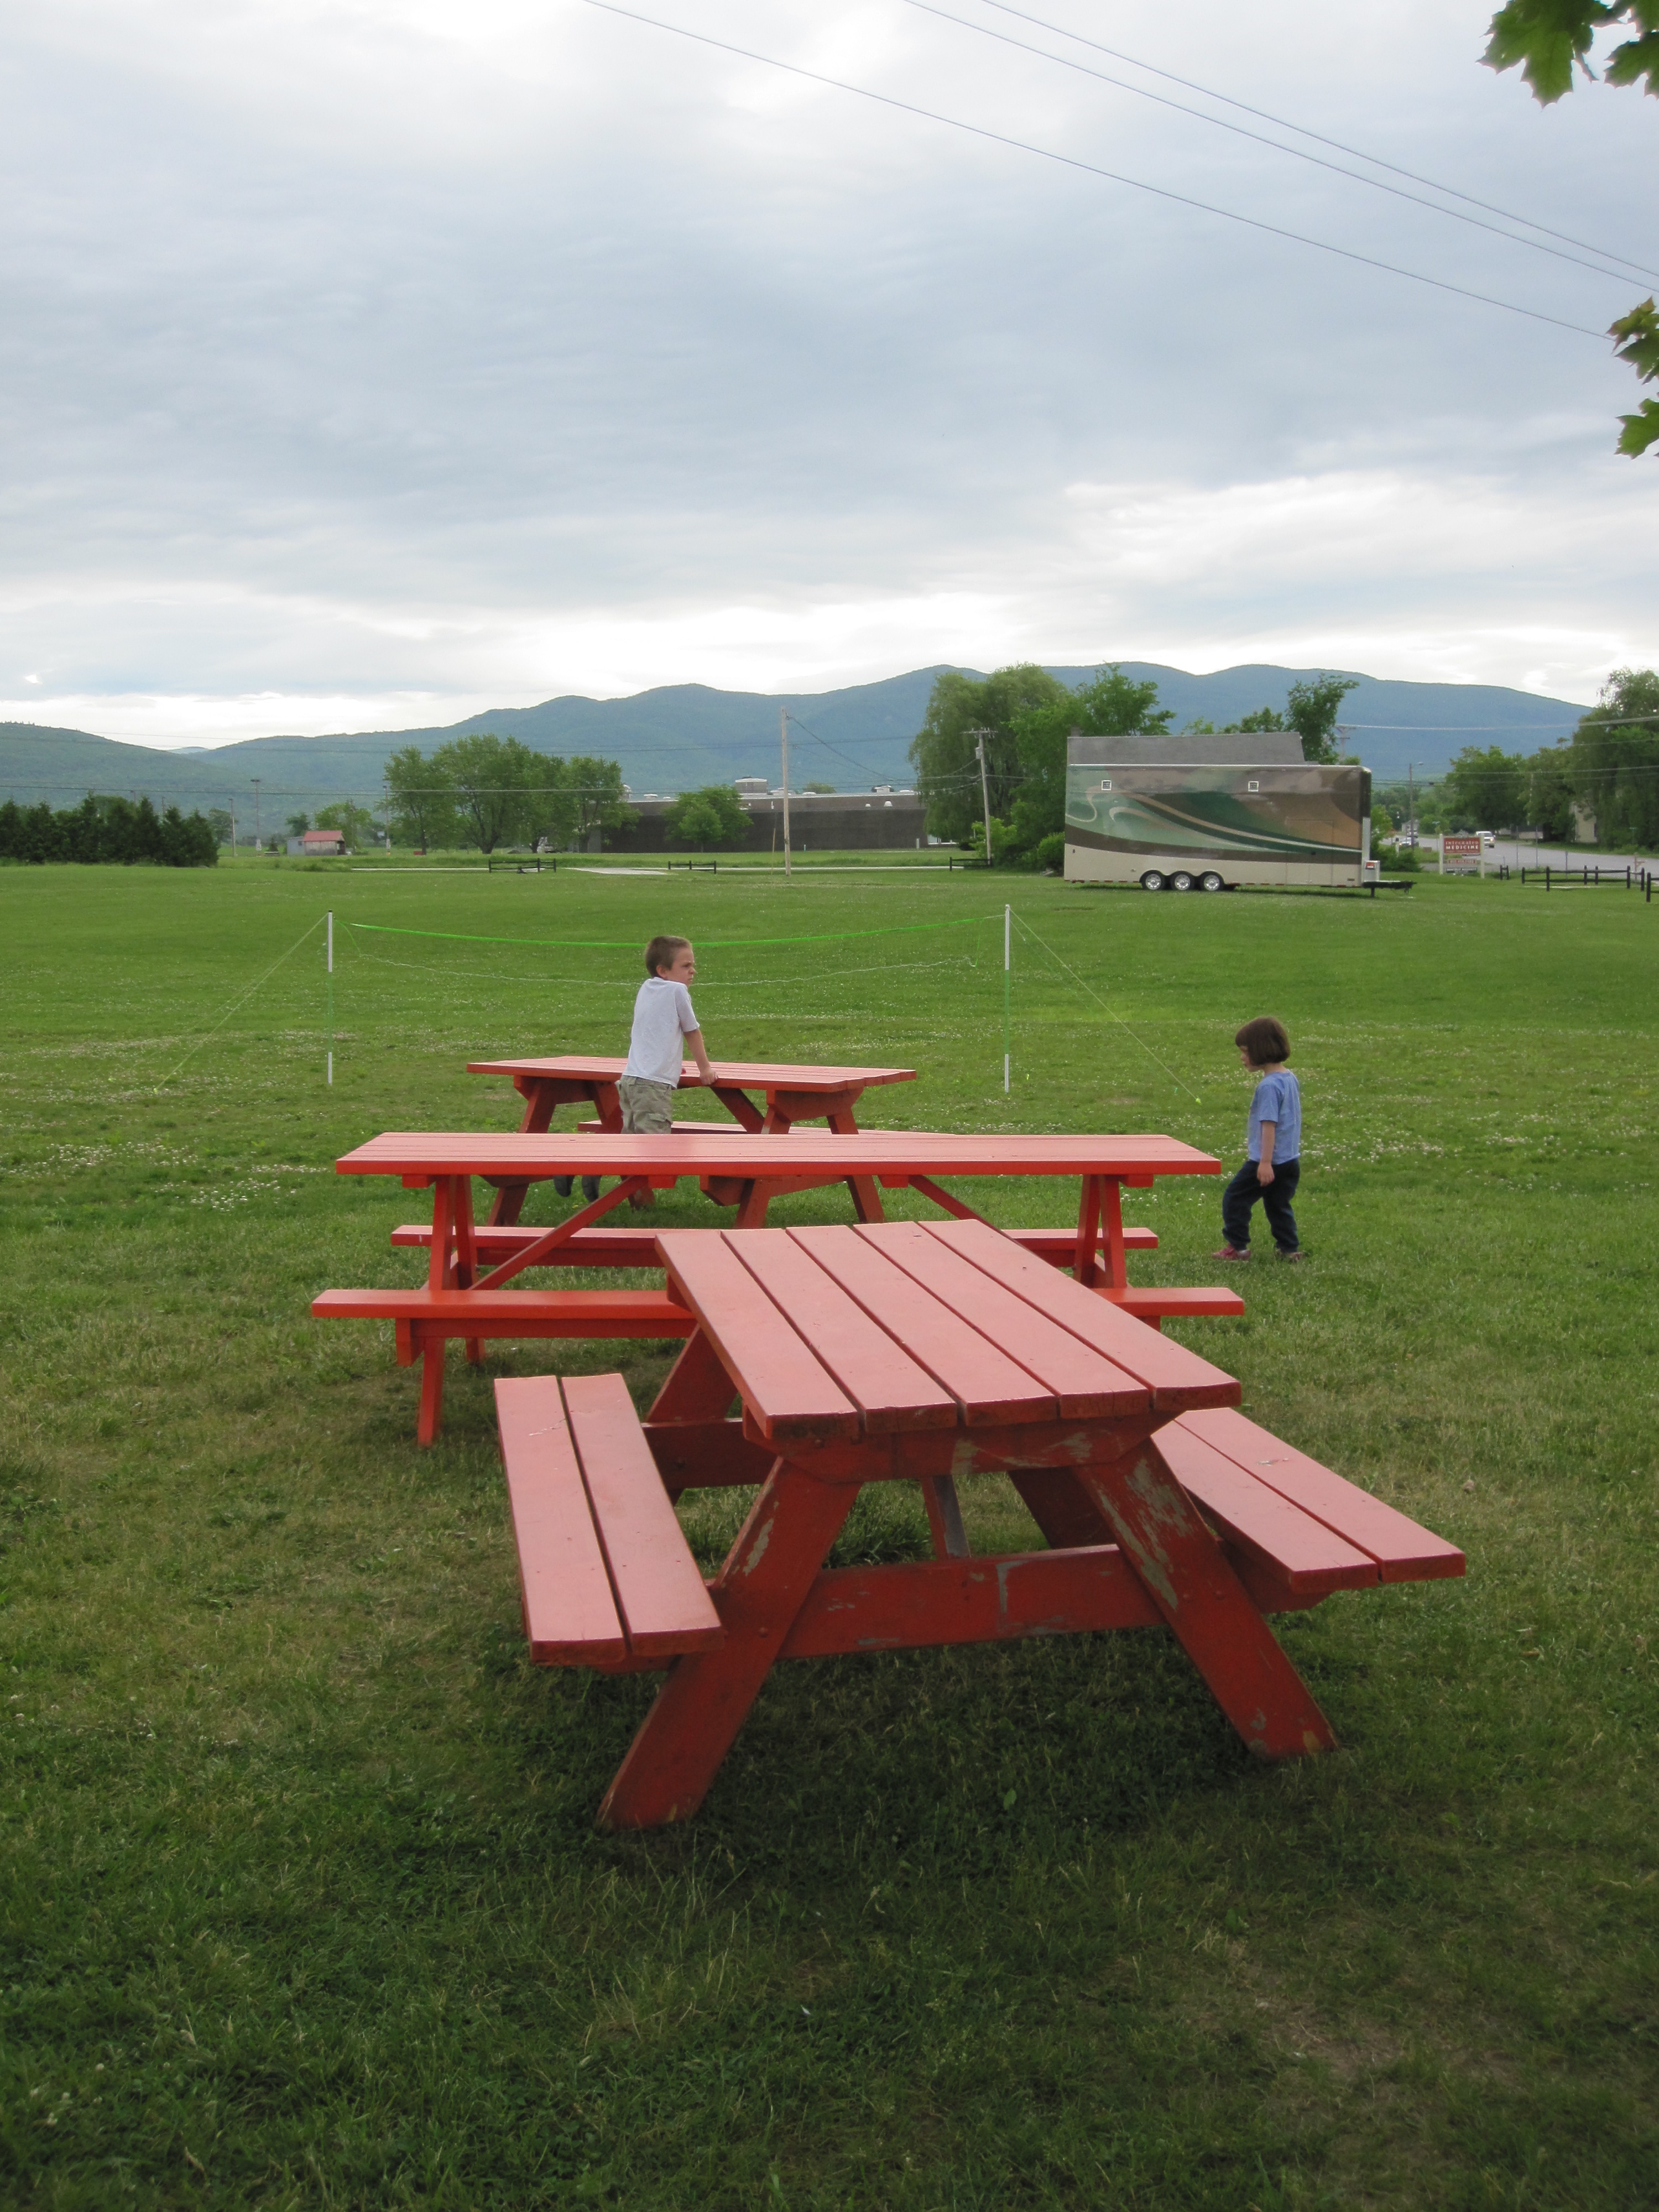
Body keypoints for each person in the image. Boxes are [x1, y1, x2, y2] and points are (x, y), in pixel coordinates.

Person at [554, 935, 716, 1206]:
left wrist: (671, 1066)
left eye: (693, 965)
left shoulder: (646, 988)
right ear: (663, 971)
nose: (693, 971)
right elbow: (692, 1032)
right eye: (686, 966)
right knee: (655, 1150)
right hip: (652, 1087)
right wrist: (705, 1069)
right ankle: (590, 1165)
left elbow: (656, 1031)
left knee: (630, 1145)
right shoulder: (678, 992)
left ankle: (585, 1164)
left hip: (630, 1079)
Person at [1214, 1015, 1303, 1262]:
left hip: (1267, 1161)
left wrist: (1264, 1163)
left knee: (1235, 1198)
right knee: (1278, 1205)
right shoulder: (1289, 1078)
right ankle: (1289, 1249)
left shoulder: (1269, 1087)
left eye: (1245, 1051)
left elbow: (1269, 1126)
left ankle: (1237, 1247)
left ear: (1262, 1049)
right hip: (1289, 1160)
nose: (1242, 1057)